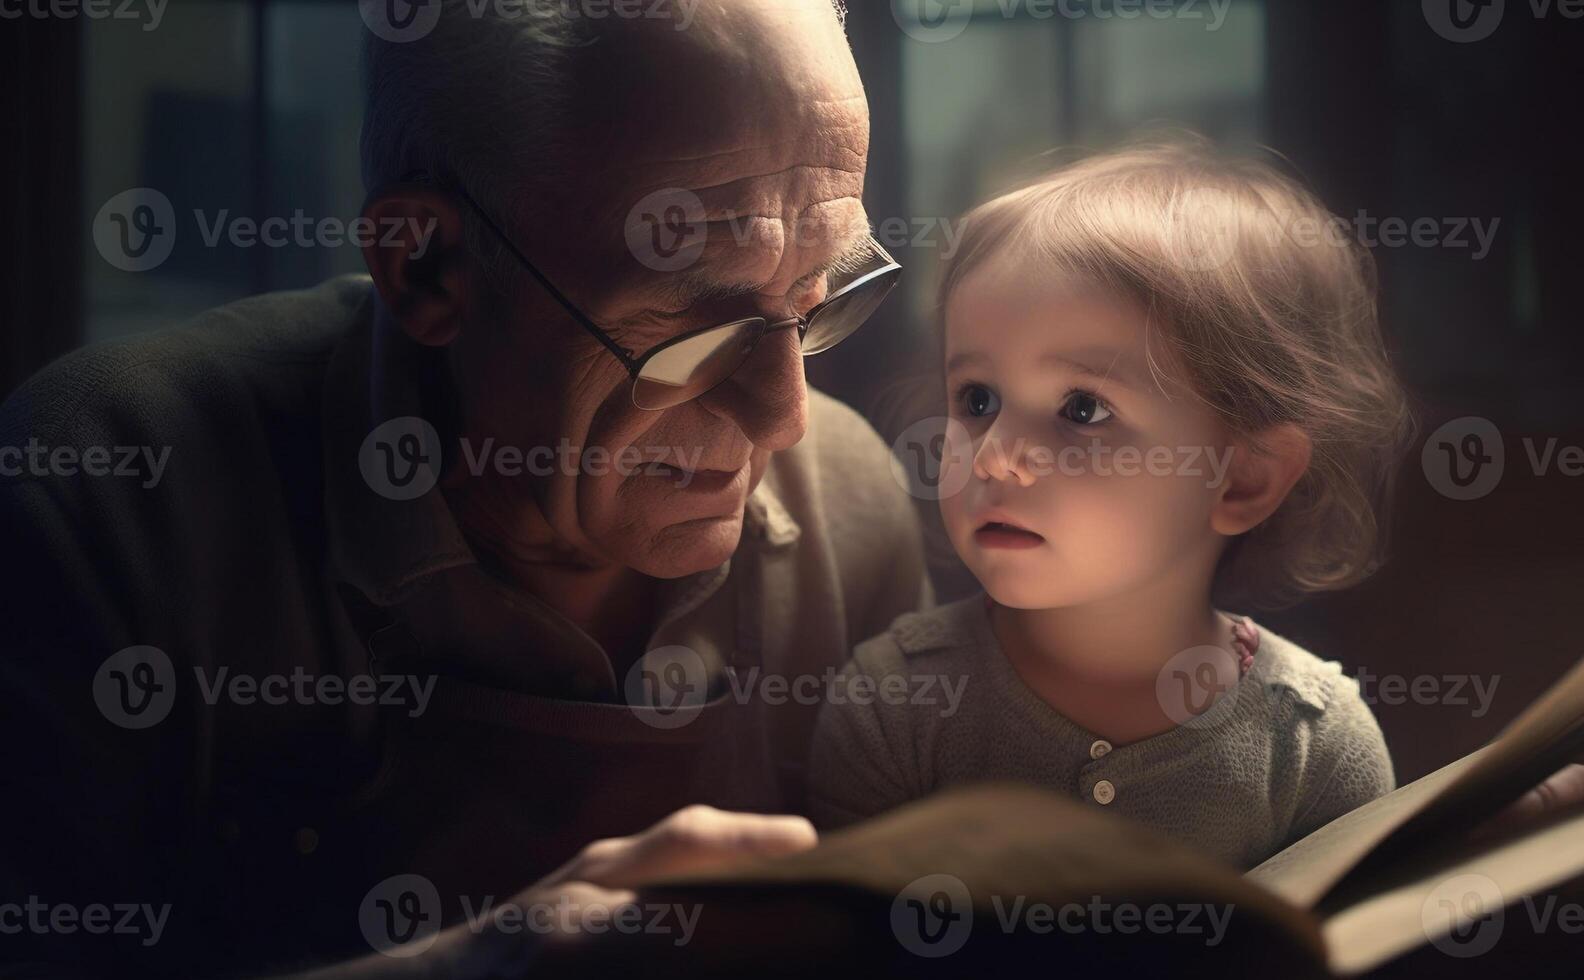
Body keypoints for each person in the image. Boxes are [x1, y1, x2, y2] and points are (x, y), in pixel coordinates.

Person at [0, 2, 930, 975]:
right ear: (428, 268)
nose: (784, 417)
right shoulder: (110, 495)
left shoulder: (844, 504)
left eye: (816, 300)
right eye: (692, 336)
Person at [811, 137, 1412, 867]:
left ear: (1242, 477)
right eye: (977, 399)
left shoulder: (1318, 747)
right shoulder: (893, 704)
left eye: (1082, 410)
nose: (996, 452)